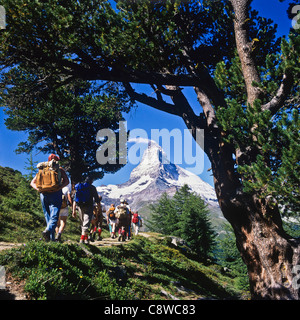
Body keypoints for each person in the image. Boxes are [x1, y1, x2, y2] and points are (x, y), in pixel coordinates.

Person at [30, 154, 69, 242]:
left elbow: (32, 183)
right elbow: (67, 181)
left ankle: (50, 239)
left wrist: (39, 189)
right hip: (55, 193)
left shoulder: (42, 169)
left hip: (43, 194)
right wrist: (58, 188)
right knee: (54, 215)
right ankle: (47, 231)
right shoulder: (60, 169)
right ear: (57, 161)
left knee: (47, 216)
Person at [72, 177, 101, 244]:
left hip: (79, 206)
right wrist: (99, 208)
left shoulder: (79, 187)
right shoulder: (92, 187)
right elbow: (97, 199)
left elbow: (74, 200)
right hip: (89, 206)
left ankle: (86, 239)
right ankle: (82, 238)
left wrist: (73, 210)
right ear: (91, 181)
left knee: (83, 222)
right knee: (86, 222)